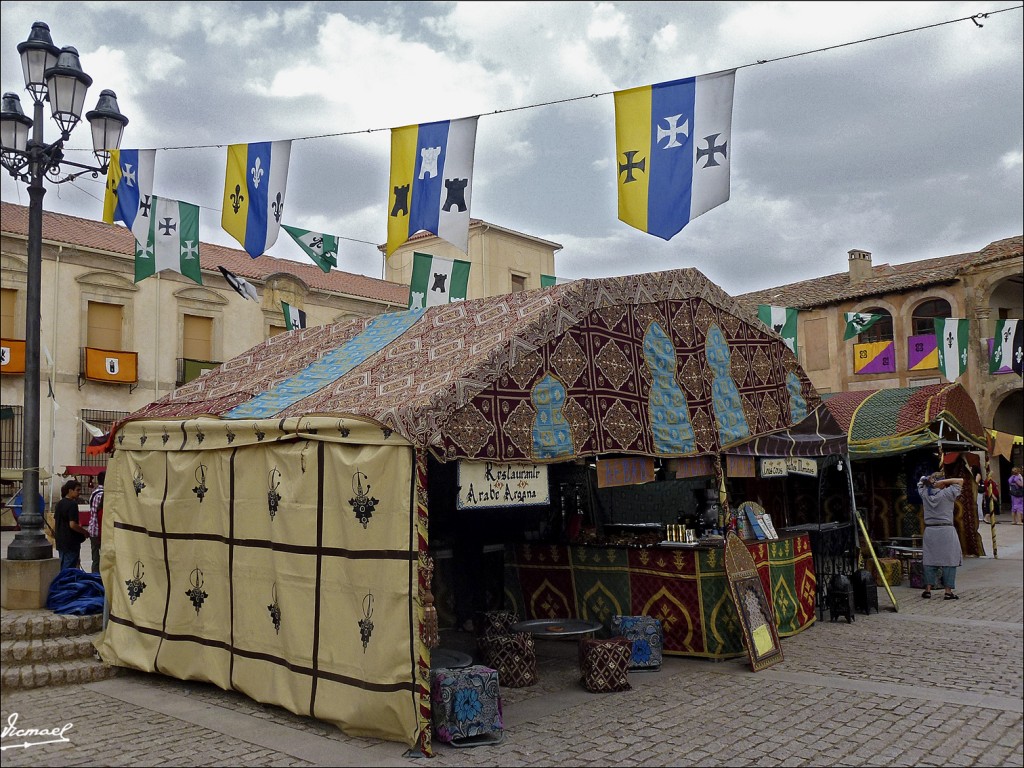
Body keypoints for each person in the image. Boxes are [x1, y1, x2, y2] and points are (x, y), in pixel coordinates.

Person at [918, 471, 965, 600]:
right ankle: (948, 592)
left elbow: (920, 483)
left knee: (929, 560)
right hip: (946, 530)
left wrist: (928, 480)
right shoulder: (947, 493)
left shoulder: (925, 495)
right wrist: (945, 482)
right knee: (949, 561)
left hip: (931, 530)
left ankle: (928, 590)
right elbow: (960, 480)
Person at [54, 479, 87, 571]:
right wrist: (84, 532)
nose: (79, 493)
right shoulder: (72, 504)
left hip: (61, 541)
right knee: (69, 569)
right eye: (77, 490)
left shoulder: (59, 504)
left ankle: (61, 583)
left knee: (62, 566)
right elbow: (72, 525)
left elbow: (56, 521)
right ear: (70, 491)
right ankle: (65, 584)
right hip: (71, 542)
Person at [88, 470, 105, 573]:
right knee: (100, 559)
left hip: (92, 529)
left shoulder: (94, 492)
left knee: (95, 557)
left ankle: (94, 576)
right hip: (99, 531)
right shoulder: (102, 495)